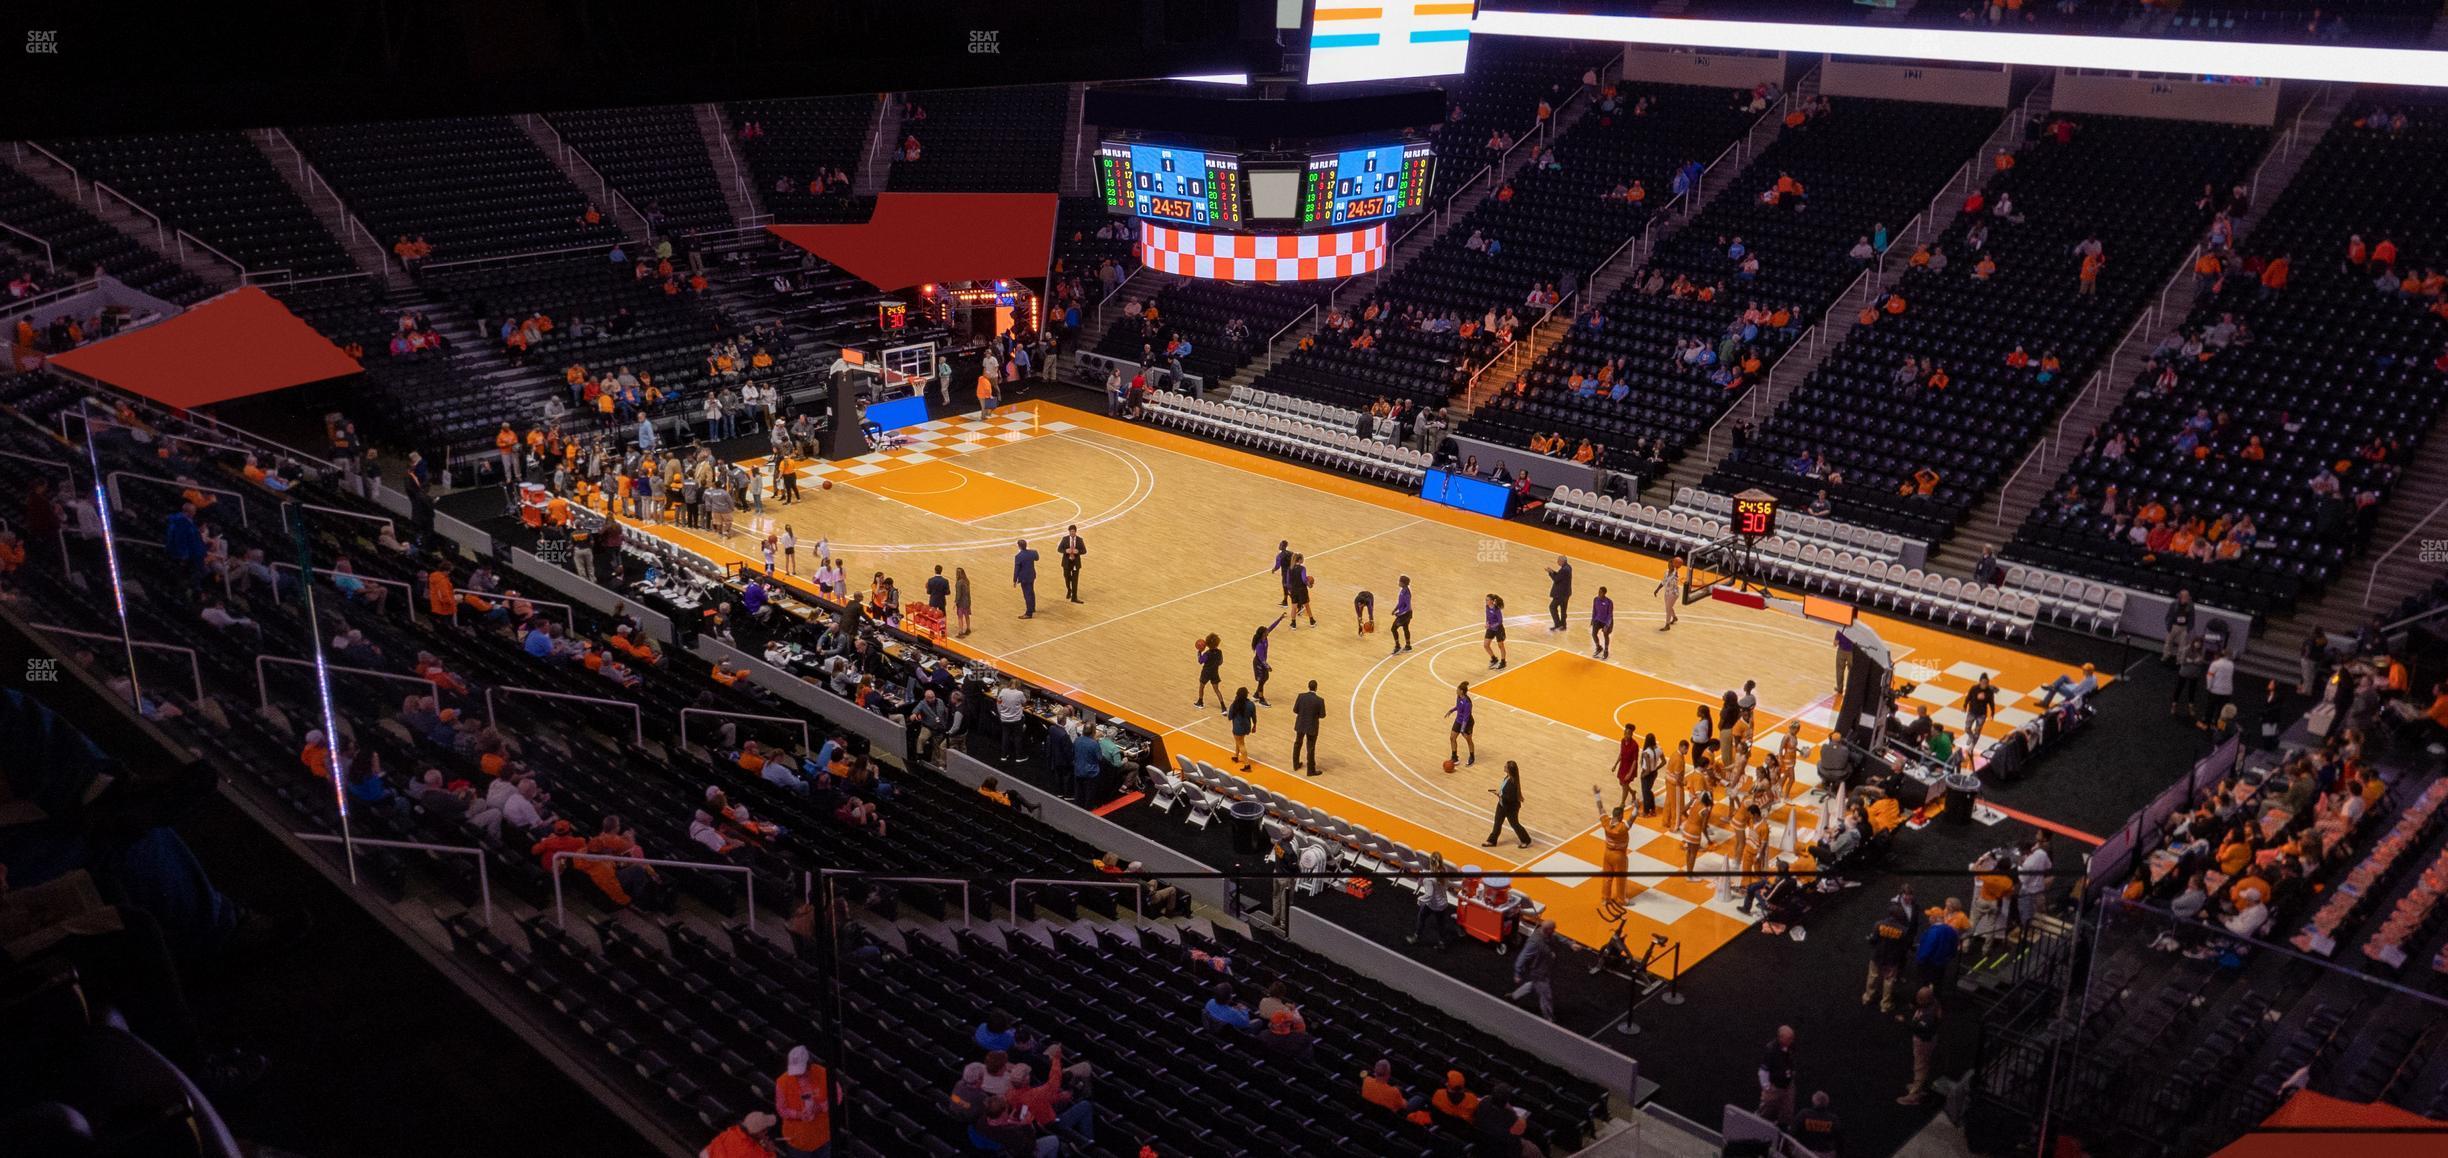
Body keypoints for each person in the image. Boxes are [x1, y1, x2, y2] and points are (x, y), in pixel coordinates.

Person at [773, 1046, 831, 1157]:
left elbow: (837, 1095)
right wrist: (799, 1115)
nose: (798, 1075)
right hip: (797, 1141)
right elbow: (781, 1109)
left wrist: (821, 1107)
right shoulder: (782, 1082)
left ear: (809, 1065)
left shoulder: (823, 1073)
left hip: (823, 1137)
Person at [1899, 986, 1941, 1105]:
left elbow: (1918, 1028)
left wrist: (1904, 1021)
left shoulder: (1928, 1016)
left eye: (1919, 998)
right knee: (1922, 1064)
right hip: (1927, 1039)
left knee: (1920, 1066)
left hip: (1924, 1041)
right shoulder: (1933, 1003)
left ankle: (1915, 1095)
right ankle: (1919, 1086)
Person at [1593, 787, 1633, 910]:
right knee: (1621, 879)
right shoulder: (1621, 828)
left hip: (1607, 854)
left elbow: (1600, 809)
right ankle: (1621, 900)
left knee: (1607, 878)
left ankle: (1605, 899)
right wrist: (1636, 808)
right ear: (1620, 816)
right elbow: (1632, 820)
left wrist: (1597, 795)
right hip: (1619, 856)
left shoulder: (1606, 822)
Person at [1509, 919, 1556, 1019]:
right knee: (1546, 995)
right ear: (1547, 930)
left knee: (1532, 986)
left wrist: (1570, 943)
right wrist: (1517, 973)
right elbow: (1522, 957)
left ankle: (1513, 996)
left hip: (1545, 968)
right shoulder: (1534, 942)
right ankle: (1548, 1018)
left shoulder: (1547, 933)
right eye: (1553, 929)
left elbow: (1557, 936)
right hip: (1538, 972)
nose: (1554, 931)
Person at [1408, 850, 1453, 947]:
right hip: (1443, 903)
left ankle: (1416, 937)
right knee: (1441, 924)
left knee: (1421, 918)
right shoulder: (1443, 871)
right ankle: (1442, 942)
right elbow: (1446, 885)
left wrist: (1420, 899)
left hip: (1432, 904)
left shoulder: (1428, 878)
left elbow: (1429, 894)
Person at [1759, 1025, 1798, 1128]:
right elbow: (1763, 1070)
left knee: (1787, 1114)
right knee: (1766, 1112)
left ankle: (1782, 1136)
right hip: (1774, 1087)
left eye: (1792, 1038)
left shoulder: (1790, 1047)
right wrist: (1767, 1087)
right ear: (1781, 1037)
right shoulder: (1770, 1049)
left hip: (1788, 1086)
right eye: (1789, 1038)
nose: (1792, 1040)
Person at [1485, 760, 1530, 849]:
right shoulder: (1507, 778)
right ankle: (1492, 841)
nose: (1504, 767)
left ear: (1510, 770)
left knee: (1515, 824)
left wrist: (1499, 794)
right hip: (1502, 805)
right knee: (1497, 823)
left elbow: (1510, 798)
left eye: (1505, 767)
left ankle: (1526, 840)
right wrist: (1500, 793)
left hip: (1511, 808)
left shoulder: (1512, 783)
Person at [701, 1111, 780, 1158]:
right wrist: (770, 1151)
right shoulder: (751, 1150)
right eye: (766, 1130)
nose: (767, 1133)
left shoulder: (733, 1131)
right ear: (759, 1132)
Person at [1291, 680, 1327, 776]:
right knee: (1310, 748)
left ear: (1308, 687)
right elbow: (1322, 715)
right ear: (1316, 688)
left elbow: (1295, 710)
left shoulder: (1301, 696)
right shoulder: (1320, 700)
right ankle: (1310, 770)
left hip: (1300, 724)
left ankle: (1295, 765)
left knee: (1297, 744)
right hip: (1312, 726)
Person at [1794, 1092, 1842, 1158]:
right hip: (1825, 1153)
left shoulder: (1804, 1114)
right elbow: (1839, 1138)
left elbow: (1794, 1131)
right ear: (1827, 1103)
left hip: (1805, 1151)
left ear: (1813, 1101)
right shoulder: (1833, 1119)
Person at [1963, 673, 1996, 752]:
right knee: (1967, 728)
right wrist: (1964, 705)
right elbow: (1968, 697)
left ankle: (1973, 745)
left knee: (1977, 731)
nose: (1985, 684)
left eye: (1987, 682)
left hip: (1982, 714)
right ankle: (1970, 736)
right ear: (1980, 681)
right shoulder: (1974, 688)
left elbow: (1991, 702)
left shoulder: (1989, 692)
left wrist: (1992, 713)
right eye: (1983, 682)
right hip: (1972, 711)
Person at [1227, 687, 1258, 770]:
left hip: (1237, 727)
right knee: (1239, 740)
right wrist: (1255, 725)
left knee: (1241, 744)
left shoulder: (1235, 704)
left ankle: (1247, 764)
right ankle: (1236, 756)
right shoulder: (1251, 704)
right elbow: (1254, 716)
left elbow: (1229, 717)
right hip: (1247, 726)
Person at [1447, 681, 1477, 767]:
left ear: (1462, 691)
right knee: (1452, 738)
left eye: (1458, 689)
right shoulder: (1458, 697)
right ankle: (1454, 757)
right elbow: (1458, 707)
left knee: (1468, 739)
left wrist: (1462, 729)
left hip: (1467, 723)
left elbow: (1466, 717)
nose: (1456, 690)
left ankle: (1472, 757)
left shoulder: (1468, 702)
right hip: (1459, 720)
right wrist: (1451, 710)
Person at [1056, 524, 1086, 603]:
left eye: (1073, 531)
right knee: (1067, 578)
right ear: (1069, 532)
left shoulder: (1080, 540)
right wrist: (1065, 551)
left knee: (1075, 580)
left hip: (1075, 563)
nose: (1072, 533)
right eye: (1071, 531)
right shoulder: (1065, 539)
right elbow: (1059, 549)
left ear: (1076, 532)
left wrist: (1078, 551)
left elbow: (1084, 551)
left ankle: (1074, 597)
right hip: (1067, 562)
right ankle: (1069, 589)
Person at [1195, 633, 1226, 709]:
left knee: (1201, 687)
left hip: (1206, 672)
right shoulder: (1219, 652)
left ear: (1207, 644)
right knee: (1216, 690)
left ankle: (1200, 702)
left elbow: (1200, 661)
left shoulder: (1207, 654)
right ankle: (1223, 707)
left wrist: (1199, 652)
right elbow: (1221, 662)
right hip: (1215, 672)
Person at [1011, 539, 1040, 618]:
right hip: (1031, 576)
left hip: (1024, 578)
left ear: (1019, 546)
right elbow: (1037, 558)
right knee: (1031, 592)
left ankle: (1028, 613)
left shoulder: (1018, 556)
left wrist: (1014, 580)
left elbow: (1016, 569)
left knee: (1027, 594)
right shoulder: (1033, 553)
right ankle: (1032, 608)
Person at [1545, 555, 1572, 632]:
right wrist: (1553, 571)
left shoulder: (1564, 570)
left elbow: (1556, 579)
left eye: (1558, 561)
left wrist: (1550, 573)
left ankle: (1558, 624)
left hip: (1561, 594)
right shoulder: (1568, 567)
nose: (1557, 562)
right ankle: (1563, 626)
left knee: (1552, 607)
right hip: (1566, 593)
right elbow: (1560, 576)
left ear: (1562, 561)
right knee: (1563, 610)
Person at [1655, 556, 1683, 630]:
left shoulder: (1676, 573)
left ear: (1674, 565)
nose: (1669, 565)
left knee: (1668, 608)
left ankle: (1667, 625)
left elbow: (1676, 573)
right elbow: (1663, 581)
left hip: (1673, 593)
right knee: (1668, 607)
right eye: (1668, 564)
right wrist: (1657, 589)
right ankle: (1674, 617)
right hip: (1667, 592)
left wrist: (1677, 567)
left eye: (1670, 564)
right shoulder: (1666, 571)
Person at [1389, 574, 1414, 654]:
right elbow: (1400, 602)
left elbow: (1408, 607)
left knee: (1393, 629)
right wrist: (1395, 609)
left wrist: (1399, 613)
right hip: (1404, 614)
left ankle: (1397, 646)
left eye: (1400, 581)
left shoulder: (1406, 593)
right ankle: (1408, 646)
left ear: (1403, 583)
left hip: (1405, 615)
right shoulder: (1403, 590)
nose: (1398, 582)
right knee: (1405, 628)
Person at [1482, 593, 1508, 669]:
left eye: (1487, 600)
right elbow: (1487, 616)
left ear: (1492, 601)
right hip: (1490, 629)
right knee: (1486, 645)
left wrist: (1491, 626)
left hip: (1498, 629)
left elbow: (1500, 621)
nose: (1485, 601)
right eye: (1485, 600)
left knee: (1501, 645)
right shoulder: (1487, 607)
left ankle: (1503, 661)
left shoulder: (1496, 609)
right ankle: (1494, 659)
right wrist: (1487, 623)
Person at [1589, 585, 1613, 659]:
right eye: (1598, 591)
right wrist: (1592, 620)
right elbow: (1594, 610)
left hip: (1606, 621)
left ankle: (1606, 650)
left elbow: (1610, 615)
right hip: (1597, 620)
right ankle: (1598, 647)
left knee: (1606, 635)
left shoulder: (1609, 602)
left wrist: (1607, 625)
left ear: (1604, 593)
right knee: (1593, 634)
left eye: (1600, 592)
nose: (1599, 593)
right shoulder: (1595, 599)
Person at [953, 566, 972, 638]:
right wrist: (969, 602)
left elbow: (958, 594)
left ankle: (961, 632)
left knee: (960, 617)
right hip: (967, 602)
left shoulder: (958, 583)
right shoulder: (967, 581)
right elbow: (968, 593)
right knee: (967, 616)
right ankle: (968, 629)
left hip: (961, 603)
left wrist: (955, 603)